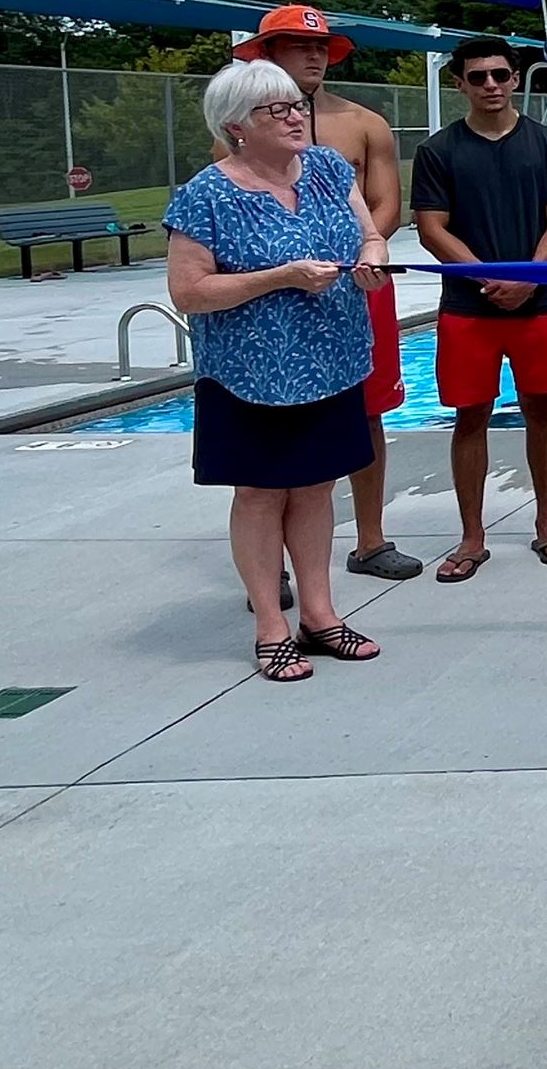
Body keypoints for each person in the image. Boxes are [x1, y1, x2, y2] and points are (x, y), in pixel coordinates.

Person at [166, 58, 393, 681]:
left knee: (317, 487)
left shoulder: (323, 168)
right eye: (279, 109)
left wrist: (372, 256)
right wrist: (283, 276)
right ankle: (271, 624)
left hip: (331, 363)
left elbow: (369, 234)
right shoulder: (205, 195)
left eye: (298, 105)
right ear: (237, 125)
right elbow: (188, 292)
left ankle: (320, 617)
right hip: (250, 377)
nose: (297, 116)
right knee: (262, 495)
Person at [228, 4, 420, 582]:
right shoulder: (237, 131)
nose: (312, 55)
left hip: (358, 285)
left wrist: (362, 251)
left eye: (320, 47)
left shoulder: (363, 124)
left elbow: (386, 206)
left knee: (368, 412)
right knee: (273, 417)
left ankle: (369, 538)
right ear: (267, 54)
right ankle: (273, 562)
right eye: (296, 45)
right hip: (275, 297)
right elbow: (233, 207)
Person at [413, 38, 547, 580]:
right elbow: (430, 228)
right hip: (469, 306)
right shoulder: (439, 151)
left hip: (539, 305)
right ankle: (471, 535)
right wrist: (489, 277)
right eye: (478, 76)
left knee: (542, 410)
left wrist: (528, 277)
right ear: (459, 83)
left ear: (514, 79)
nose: (491, 85)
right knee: (470, 416)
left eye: (500, 75)